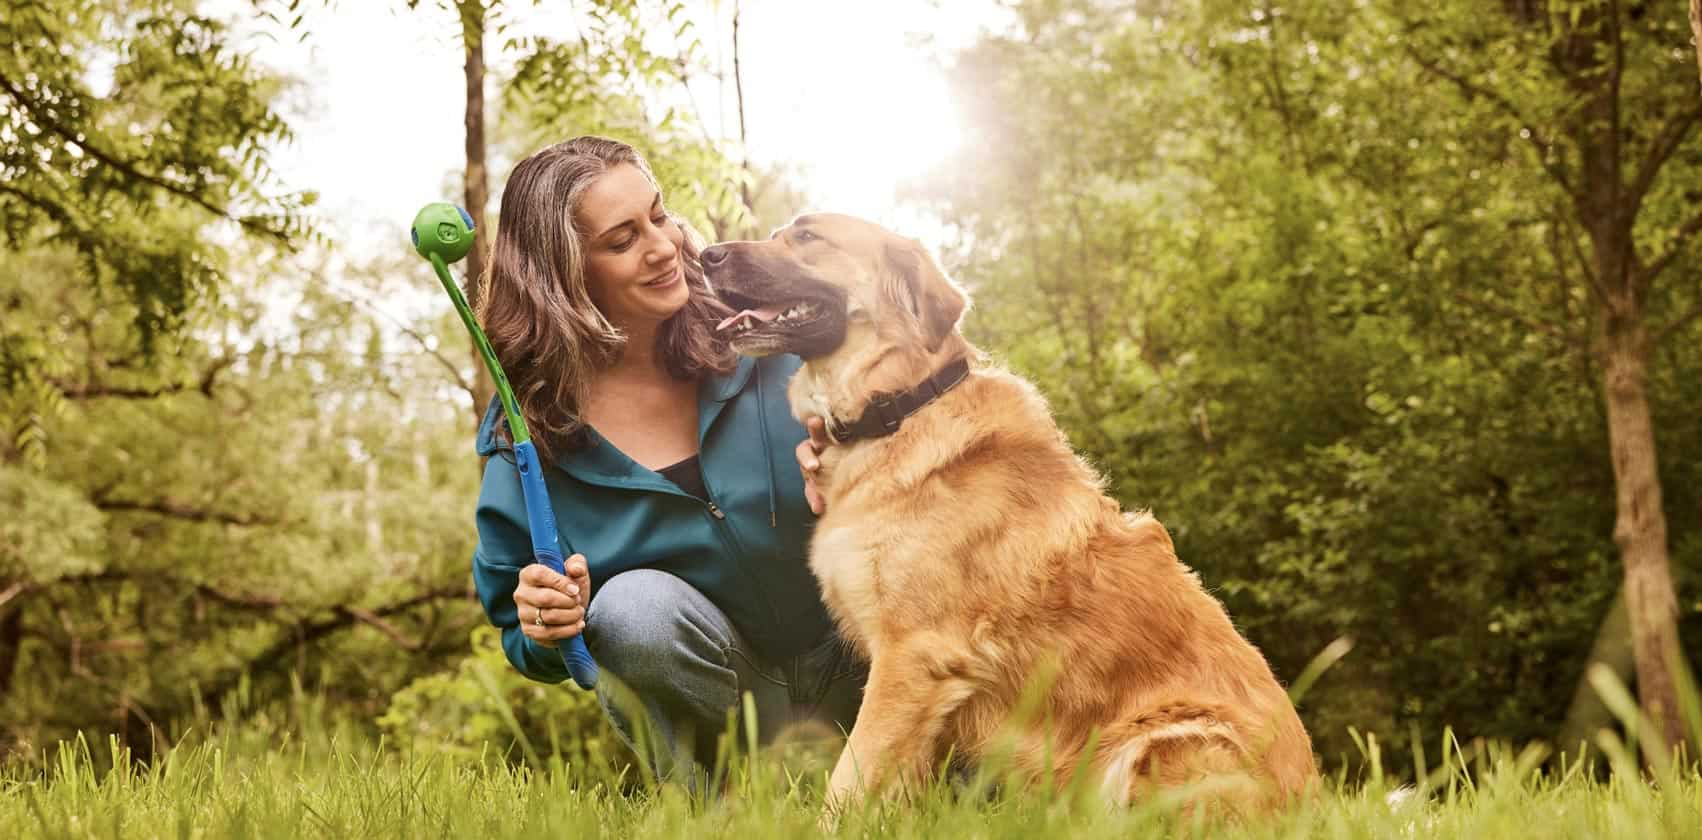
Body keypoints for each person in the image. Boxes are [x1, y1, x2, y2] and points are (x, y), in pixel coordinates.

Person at [468, 135, 857, 785]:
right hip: (729, 714)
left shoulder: (760, 329)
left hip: (860, 655)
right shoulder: (530, 443)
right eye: (622, 241)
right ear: (564, 276)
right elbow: (519, 629)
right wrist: (541, 627)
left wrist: (856, 457)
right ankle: (721, 809)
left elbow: (903, 407)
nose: (663, 245)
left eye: (658, 214)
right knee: (628, 612)